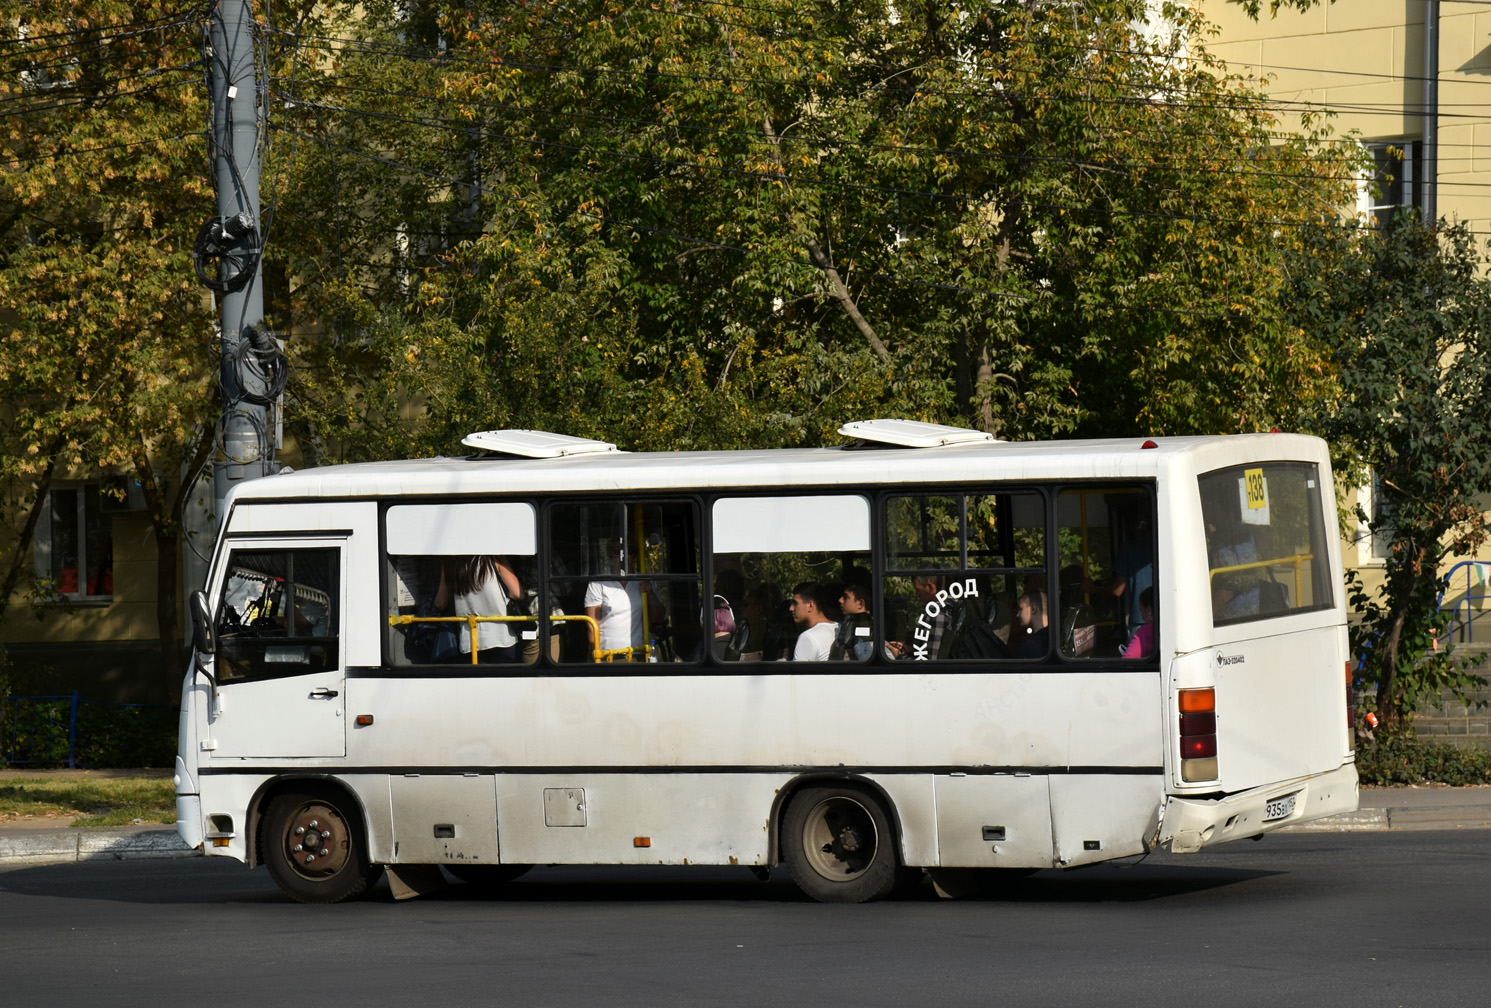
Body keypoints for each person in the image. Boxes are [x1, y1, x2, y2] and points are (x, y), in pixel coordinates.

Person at [435, 555, 523, 663]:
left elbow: (440, 603)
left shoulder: (450, 564)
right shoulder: (494, 559)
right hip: (502, 637)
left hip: (469, 643)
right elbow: (517, 593)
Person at [584, 539, 661, 659]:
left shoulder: (644, 580)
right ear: (610, 555)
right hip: (608, 654)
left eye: (629, 551)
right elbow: (592, 624)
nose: (622, 556)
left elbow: (658, 617)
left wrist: (650, 594)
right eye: (617, 551)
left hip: (639, 652)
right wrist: (597, 658)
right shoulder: (598, 583)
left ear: (635, 556)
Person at [789, 582, 839, 661]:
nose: (791, 608)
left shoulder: (807, 637)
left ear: (810, 605)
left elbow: (797, 672)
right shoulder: (838, 628)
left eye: (795, 603)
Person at [833, 581, 875, 661]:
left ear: (860, 604)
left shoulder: (862, 622)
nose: (840, 600)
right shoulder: (851, 620)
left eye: (845, 598)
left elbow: (863, 653)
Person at [1122, 586, 1156, 659]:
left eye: (1141, 610)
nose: (1142, 617)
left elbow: (1127, 661)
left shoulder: (1146, 631)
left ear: (1149, 612)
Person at [1014, 591, 1049, 659]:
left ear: (1033, 609)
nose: (1017, 615)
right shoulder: (1053, 639)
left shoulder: (1030, 646)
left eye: (1021, 609)